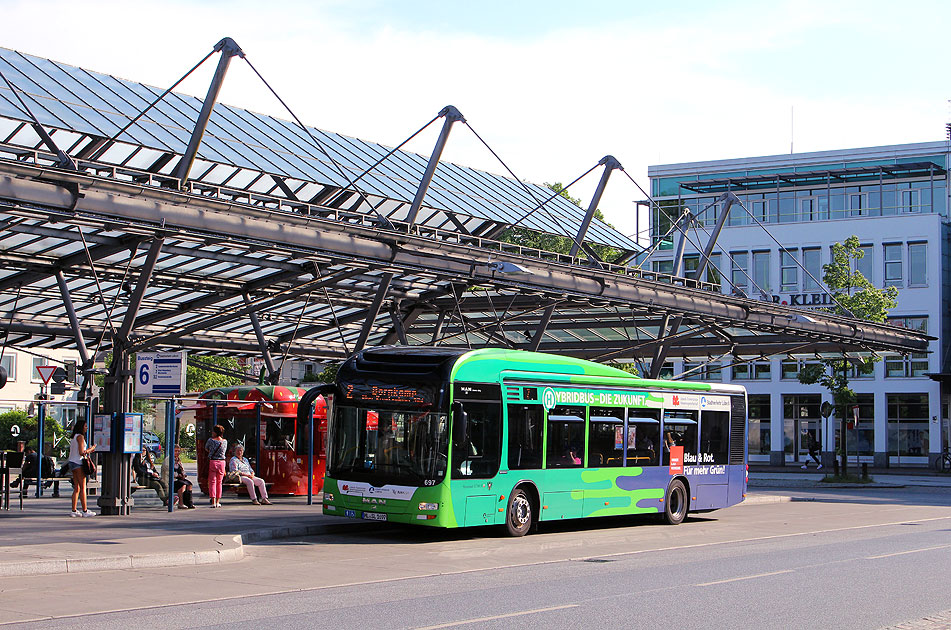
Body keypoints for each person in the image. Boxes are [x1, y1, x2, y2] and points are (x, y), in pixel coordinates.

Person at [67, 419, 96, 517]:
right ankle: (85, 510)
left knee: (76, 488)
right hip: (78, 463)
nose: (86, 428)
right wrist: (90, 449)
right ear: (81, 427)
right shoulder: (80, 437)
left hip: (72, 462)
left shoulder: (74, 437)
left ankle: (74, 510)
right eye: (85, 426)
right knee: (83, 487)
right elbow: (81, 452)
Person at [205, 424, 227, 508]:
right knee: (219, 482)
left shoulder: (211, 440)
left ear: (215, 432)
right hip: (222, 462)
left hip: (213, 461)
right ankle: (218, 501)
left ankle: (213, 501)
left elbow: (206, 448)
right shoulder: (224, 441)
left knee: (212, 482)